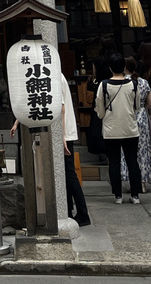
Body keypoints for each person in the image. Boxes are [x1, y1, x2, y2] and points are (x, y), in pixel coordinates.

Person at [95, 54, 142, 205]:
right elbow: (137, 107)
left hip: (111, 129)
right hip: (130, 127)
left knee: (114, 162)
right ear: (123, 68)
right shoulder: (133, 84)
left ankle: (117, 195)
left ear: (110, 68)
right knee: (132, 161)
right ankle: (135, 195)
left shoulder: (103, 85)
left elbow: (100, 111)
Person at [120, 56, 151, 193]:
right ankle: (143, 183)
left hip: (126, 118)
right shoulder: (144, 82)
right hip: (142, 118)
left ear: (124, 68)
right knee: (143, 151)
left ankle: (130, 181)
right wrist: (142, 106)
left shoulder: (122, 83)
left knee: (127, 152)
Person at [60, 75, 91, 226]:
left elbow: (61, 108)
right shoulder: (58, 76)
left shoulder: (54, 76)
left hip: (64, 133)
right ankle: (70, 211)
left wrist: (63, 135)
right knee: (66, 174)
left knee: (69, 173)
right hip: (65, 133)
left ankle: (82, 213)